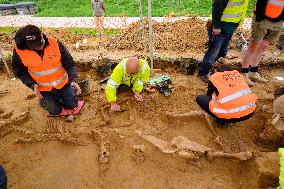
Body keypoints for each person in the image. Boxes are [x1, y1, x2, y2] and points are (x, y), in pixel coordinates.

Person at [12, 25, 81, 116]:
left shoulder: (55, 43)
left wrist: (73, 80)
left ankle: (65, 95)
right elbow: (20, 72)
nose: (39, 47)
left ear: (42, 34)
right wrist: (33, 85)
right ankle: (51, 100)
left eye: (40, 43)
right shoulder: (19, 51)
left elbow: (70, 64)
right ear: (27, 44)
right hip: (43, 89)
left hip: (63, 84)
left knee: (72, 104)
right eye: (35, 46)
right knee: (55, 110)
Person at [198, 0, 250, 83]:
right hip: (221, 25)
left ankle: (204, 65)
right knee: (213, 52)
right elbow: (217, 5)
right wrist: (216, 26)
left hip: (231, 25)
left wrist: (238, 22)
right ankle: (203, 72)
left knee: (222, 52)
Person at [241, 0, 284, 86]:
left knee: (263, 46)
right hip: (263, 19)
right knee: (254, 45)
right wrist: (259, 19)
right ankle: (244, 73)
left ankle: (253, 71)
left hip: (278, 21)